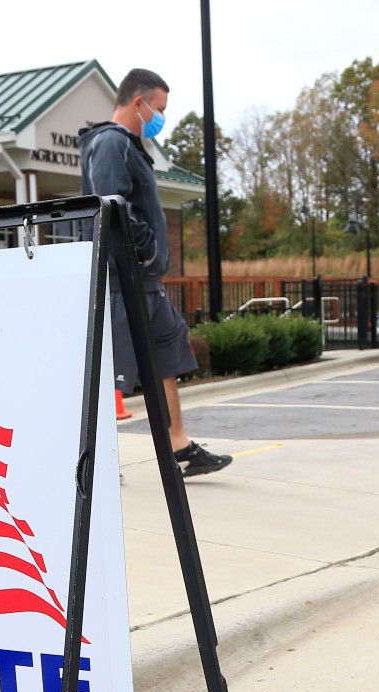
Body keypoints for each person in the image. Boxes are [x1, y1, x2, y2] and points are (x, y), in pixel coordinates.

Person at [79, 69, 231, 477]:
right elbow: (110, 202)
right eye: (159, 109)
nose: (161, 118)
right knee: (109, 370)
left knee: (167, 353)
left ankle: (179, 447)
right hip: (120, 279)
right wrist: (144, 248)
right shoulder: (111, 143)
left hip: (145, 281)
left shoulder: (130, 146)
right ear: (138, 103)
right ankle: (95, 463)